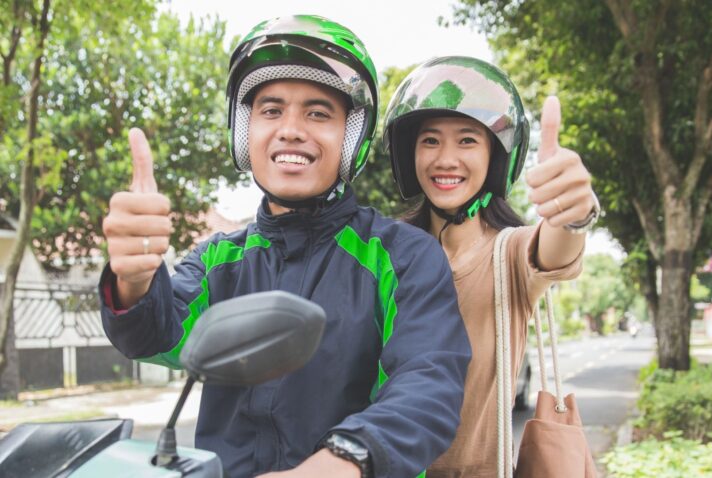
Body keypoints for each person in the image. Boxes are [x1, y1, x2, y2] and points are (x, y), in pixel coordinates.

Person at [99, 16, 471, 478]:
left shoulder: (402, 256)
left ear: (351, 137)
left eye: (318, 113)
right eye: (271, 110)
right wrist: (133, 280)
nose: (291, 129)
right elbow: (160, 335)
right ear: (245, 130)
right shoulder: (218, 260)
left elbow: (427, 383)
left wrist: (341, 462)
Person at [382, 56, 599, 477]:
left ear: (495, 156)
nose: (446, 158)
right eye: (430, 141)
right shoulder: (385, 252)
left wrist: (574, 213)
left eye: (467, 140)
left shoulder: (511, 254)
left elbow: (555, 251)